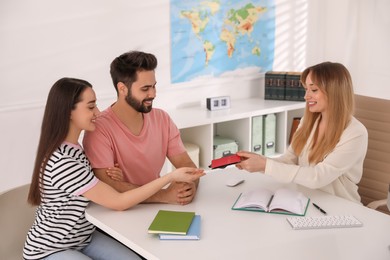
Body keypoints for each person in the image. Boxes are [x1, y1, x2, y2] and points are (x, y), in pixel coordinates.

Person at [23, 78, 204, 259]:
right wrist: (169, 177)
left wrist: (109, 176)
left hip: (83, 238)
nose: (98, 112)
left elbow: (87, 188)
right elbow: (119, 202)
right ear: (69, 111)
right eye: (91, 106)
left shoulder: (74, 148)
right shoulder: (63, 162)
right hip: (50, 249)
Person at [235, 62, 368, 204]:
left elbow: (318, 177)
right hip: (306, 199)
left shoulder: (355, 133)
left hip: (341, 207)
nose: (306, 96)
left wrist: (266, 165)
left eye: (314, 90)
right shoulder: (307, 122)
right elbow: (289, 160)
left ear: (334, 92)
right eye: (306, 89)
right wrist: (260, 161)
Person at [83, 51, 199, 205]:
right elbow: (108, 185)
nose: (153, 94)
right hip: (118, 214)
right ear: (122, 88)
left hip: (157, 208)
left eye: (154, 86)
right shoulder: (99, 129)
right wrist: (163, 196)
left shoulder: (162, 119)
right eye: (145, 89)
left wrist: (188, 187)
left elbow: (186, 164)